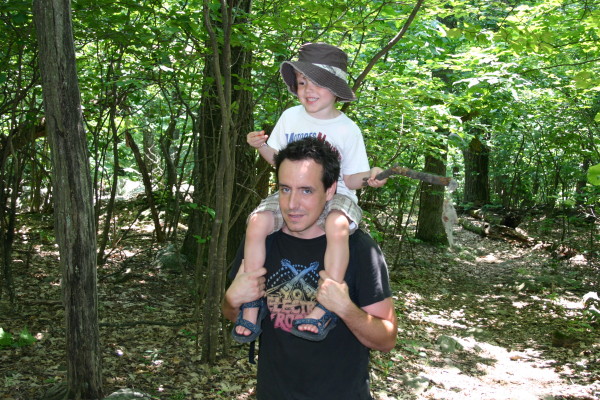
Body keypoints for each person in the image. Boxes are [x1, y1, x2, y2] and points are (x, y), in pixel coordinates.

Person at [234, 43, 388, 342]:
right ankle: (251, 301)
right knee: (257, 222)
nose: (308, 90)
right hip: (292, 192)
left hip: (337, 194)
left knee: (337, 225)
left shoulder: (346, 129)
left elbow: (351, 179)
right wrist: (261, 146)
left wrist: (370, 178)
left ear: (335, 88)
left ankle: (325, 304)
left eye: (318, 83)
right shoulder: (291, 117)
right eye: (303, 82)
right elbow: (279, 161)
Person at [223, 137, 397, 400]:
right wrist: (231, 300)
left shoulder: (359, 248)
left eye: (306, 190)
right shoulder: (263, 243)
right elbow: (234, 316)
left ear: (329, 191)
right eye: (284, 189)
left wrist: (345, 308)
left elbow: (386, 340)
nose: (293, 204)